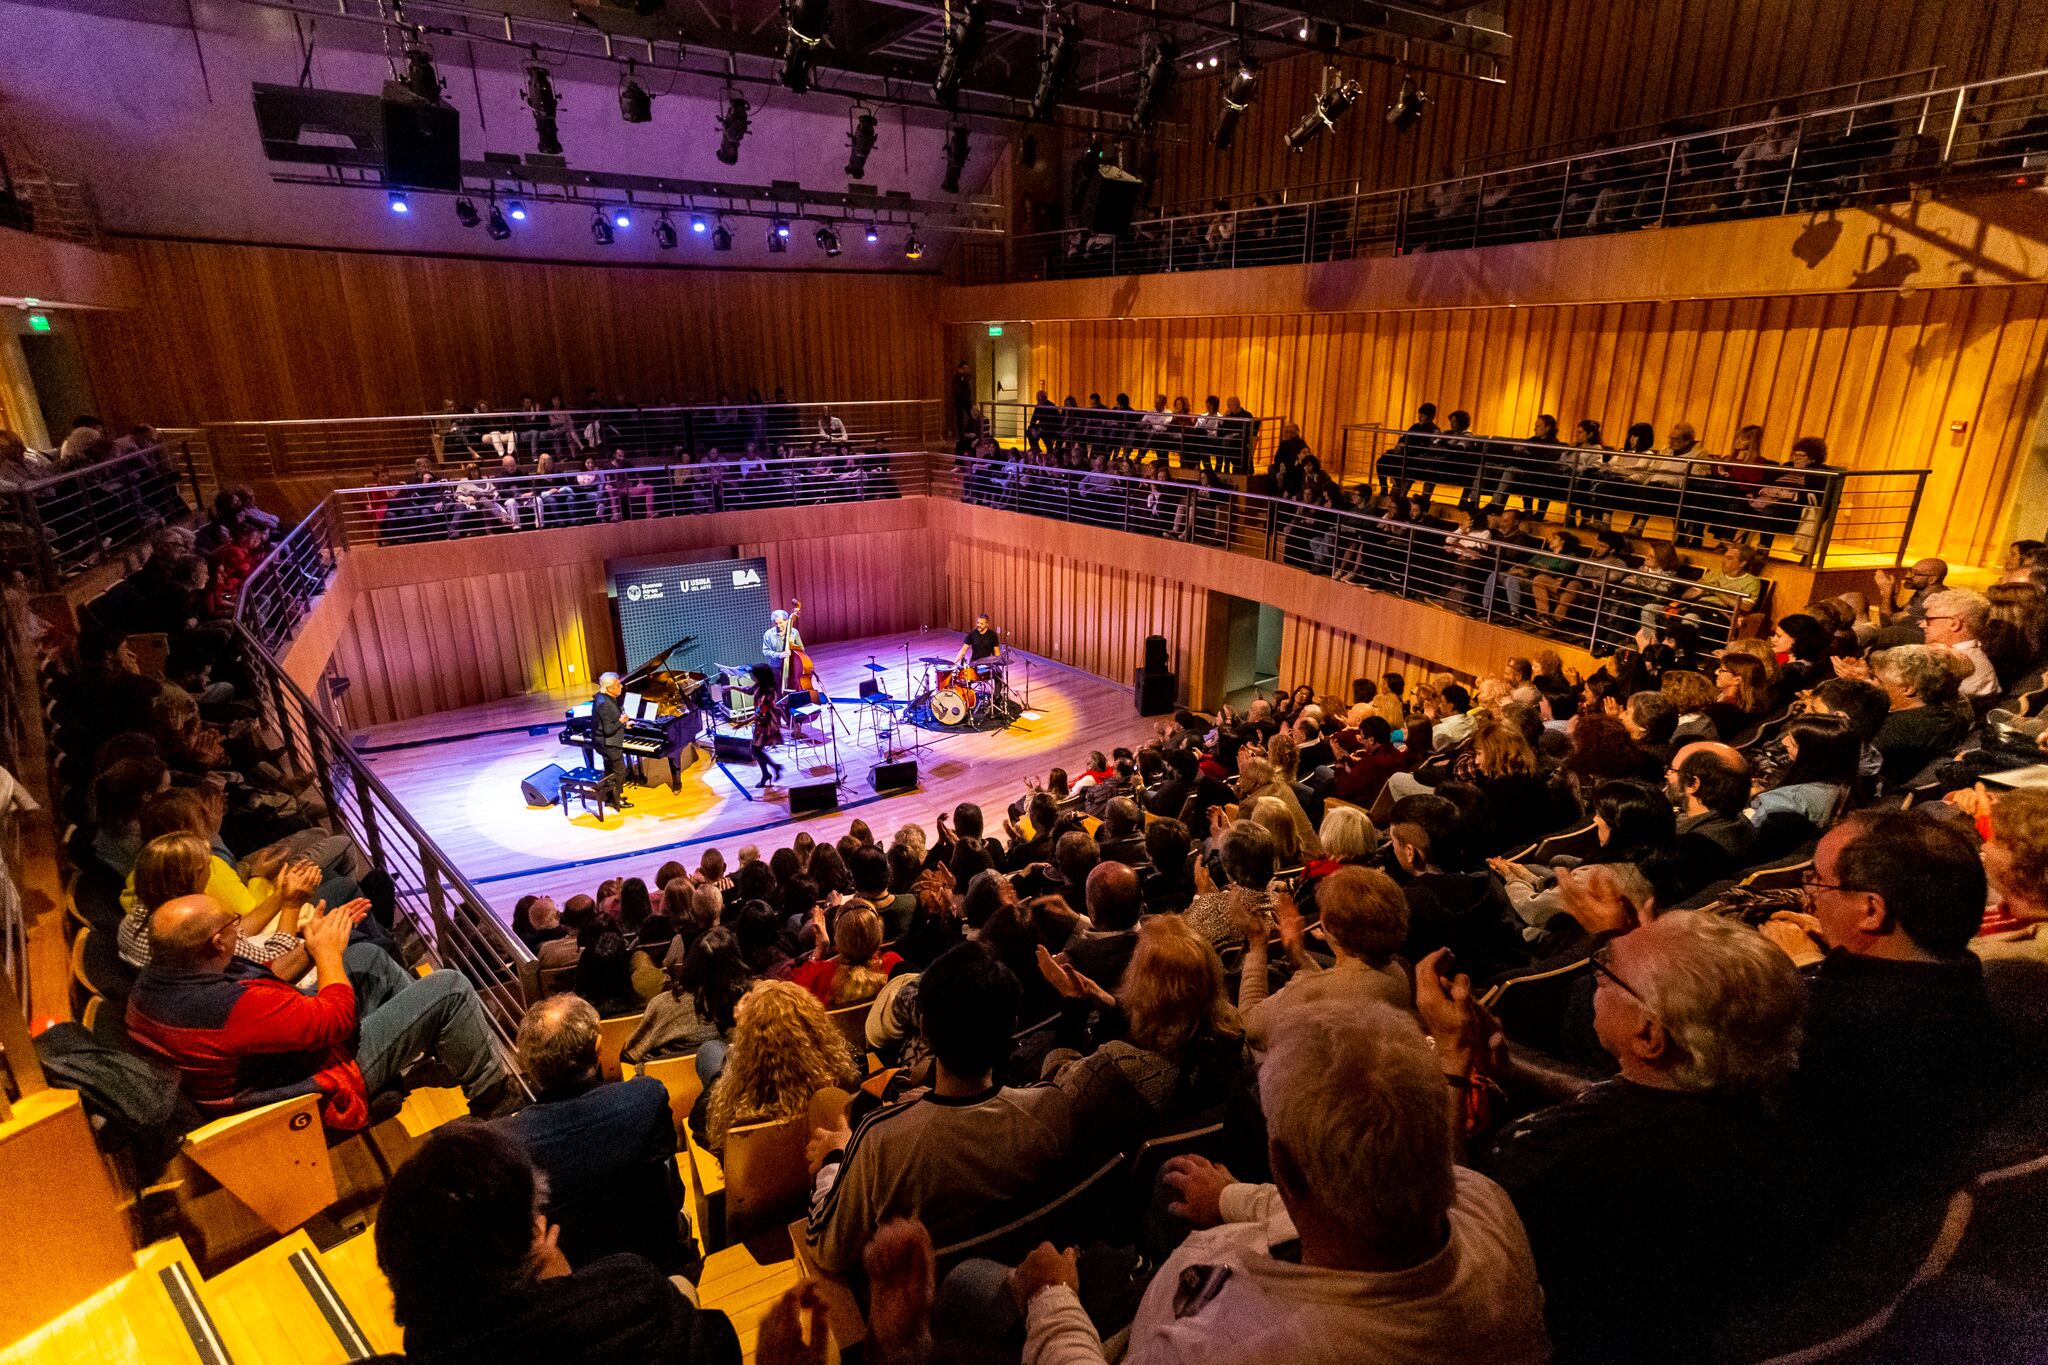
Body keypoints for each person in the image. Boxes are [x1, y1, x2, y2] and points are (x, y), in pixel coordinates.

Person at [1001, 999, 1549, 1365]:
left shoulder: (1227, 1350)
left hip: (1129, 1327)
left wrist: (1052, 1301)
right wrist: (1233, 1197)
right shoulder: (1485, 1204)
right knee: (1176, 1186)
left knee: (973, 1284)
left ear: (1283, 1167)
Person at [1447, 912, 1816, 1363]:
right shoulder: (1762, 1092)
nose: (1594, 978)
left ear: (1649, 1035)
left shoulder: (1568, 1168)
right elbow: (1613, 1096)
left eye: (1605, 973)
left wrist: (1453, 1065)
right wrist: (1507, 1068)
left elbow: (1453, 1231)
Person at [1759, 810, 2008, 1187]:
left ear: (1871, 910)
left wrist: (1807, 972)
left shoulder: (1827, 1033)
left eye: (1818, 883)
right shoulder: (1978, 982)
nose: (1809, 899)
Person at [127, 894, 519, 1130]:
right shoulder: (226, 1009)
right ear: (216, 942)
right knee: (448, 986)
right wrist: (327, 953)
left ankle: (439, 1044)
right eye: (232, 923)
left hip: (282, 1059)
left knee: (366, 956)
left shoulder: (163, 975)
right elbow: (335, 1021)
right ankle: (495, 1100)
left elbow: (271, 981)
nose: (238, 927)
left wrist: (313, 943)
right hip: (311, 1085)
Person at [806, 942, 1076, 1276]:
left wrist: (836, 1156)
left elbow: (827, 1248)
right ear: (1013, 1026)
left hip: (917, 1303)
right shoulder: (1051, 1109)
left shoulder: (880, 1141)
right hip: (1018, 1278)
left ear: (925, 1031)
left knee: (829, 1103)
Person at [372, 1121, 740, 1365]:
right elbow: (721, 1345)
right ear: (530, 1241)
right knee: (679, 1285)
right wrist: (562, 1288)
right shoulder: (633, 1287)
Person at [498, 996, 692, 1274]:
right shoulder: (646, 1097)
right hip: (653, 1259)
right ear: (599, 1047)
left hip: (572, 1275)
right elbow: (672, 1188)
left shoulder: (504, 1143)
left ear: (527, 1064)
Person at [1238, 871, 1410, 1047]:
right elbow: (1337, 984)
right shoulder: (1397, 971)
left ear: (1332, 930)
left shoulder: (1311, 992)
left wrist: (1257, 945)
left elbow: (1248, 1025)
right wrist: (1298, 955)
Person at [1919, 588, 2001, 698]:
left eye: (1928, 620)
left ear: (1954, 624)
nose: (1922, 625)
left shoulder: (1968, 670)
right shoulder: (1957, 658)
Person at [589, 672, 632, 809]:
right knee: (620, 771)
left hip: (604, 742)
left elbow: (608, 722)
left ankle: (609, 797)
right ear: (609, 688)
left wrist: (623, 724)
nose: (621, 686)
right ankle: (616, 799)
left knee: (609, 770)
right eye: (617, 685)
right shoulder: (605, 704)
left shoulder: (605, 698)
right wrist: (622, 721)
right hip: (608, 744)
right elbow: (608, 730)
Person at [747, 662, 786, 789]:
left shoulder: (769, 691)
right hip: (761, 721)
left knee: (756, 749)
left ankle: (773, 768)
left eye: (753, 675)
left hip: (767, 723)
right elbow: (749, 690)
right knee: (757, 750)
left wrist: (743, 722)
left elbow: (761, 710)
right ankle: (767, 773)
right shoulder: (761, 684)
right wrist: (731, 687)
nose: (752, 676)